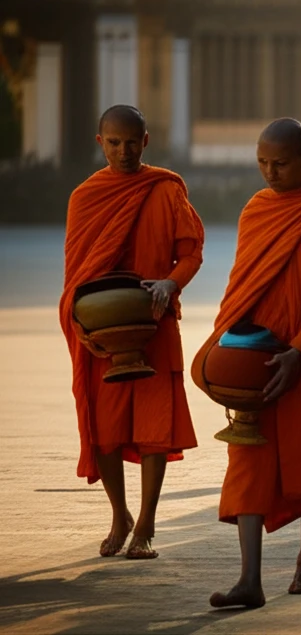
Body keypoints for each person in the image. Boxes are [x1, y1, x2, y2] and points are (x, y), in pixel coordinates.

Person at [199, 118, 301, 608]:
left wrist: (300, 352)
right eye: (262, 163)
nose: (270, 172)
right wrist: (226, 346)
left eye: (280, 163)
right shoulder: (257, 208)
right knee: (249, 455)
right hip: (259, 353)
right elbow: (243, 280)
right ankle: (250, 579)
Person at [59, 105, 204, 560]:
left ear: (146, 142)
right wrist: (79, 318)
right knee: (104, 428)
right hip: (103, 327)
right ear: (100, 143)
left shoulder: (165, 189)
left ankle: (146, 523)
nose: (123, 152)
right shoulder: (86, 196)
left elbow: (191, 255)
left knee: (154, 426)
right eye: (114, 143)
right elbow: (75, 273)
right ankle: (119, 513)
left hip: (153, 321)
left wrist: (169, 282)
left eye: (132, 142)